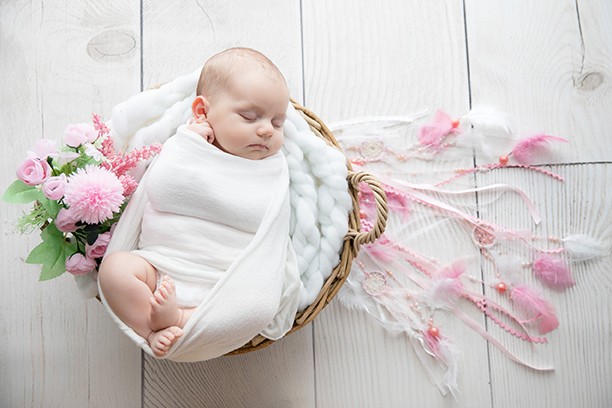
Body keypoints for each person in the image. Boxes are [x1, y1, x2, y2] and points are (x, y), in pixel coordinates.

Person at [98, 47, 291, 357]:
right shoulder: (186, 145)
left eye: (278, 122)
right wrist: (187, 147)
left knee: (261, 308)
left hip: (224, 283)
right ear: (202, 112)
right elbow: (163, 190)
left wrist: (218, 201)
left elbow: (265, 219)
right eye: (249, 116)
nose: (267, 129)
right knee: (115, 270)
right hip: (160, 268)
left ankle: (178, 320)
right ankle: (150, 327)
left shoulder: (271, 168)